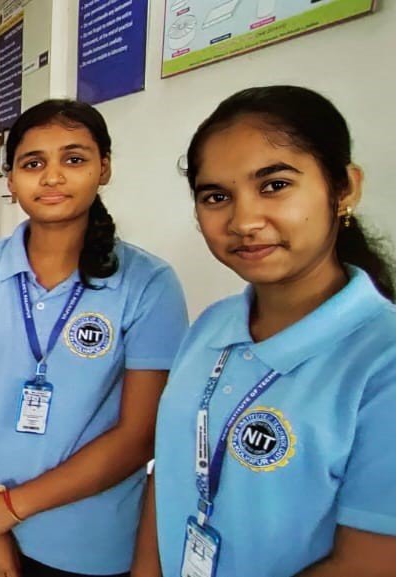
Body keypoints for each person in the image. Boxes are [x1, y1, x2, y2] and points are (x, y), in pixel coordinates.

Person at [134, 86, 396, 577]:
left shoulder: (381, 362)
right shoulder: (212, 325)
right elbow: (168, 473)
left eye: (275, 185)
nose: (244, 221)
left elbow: (370, 562)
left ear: (344, 188)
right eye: (217, 197)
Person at [0, 100, 188, 577]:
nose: (52, 177)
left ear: (104, 168)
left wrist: (8, 509)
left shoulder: (148, 283)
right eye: (33, 164)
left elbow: (138, 435)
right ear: (11, 181)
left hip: (86, 541)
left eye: (73, 159)